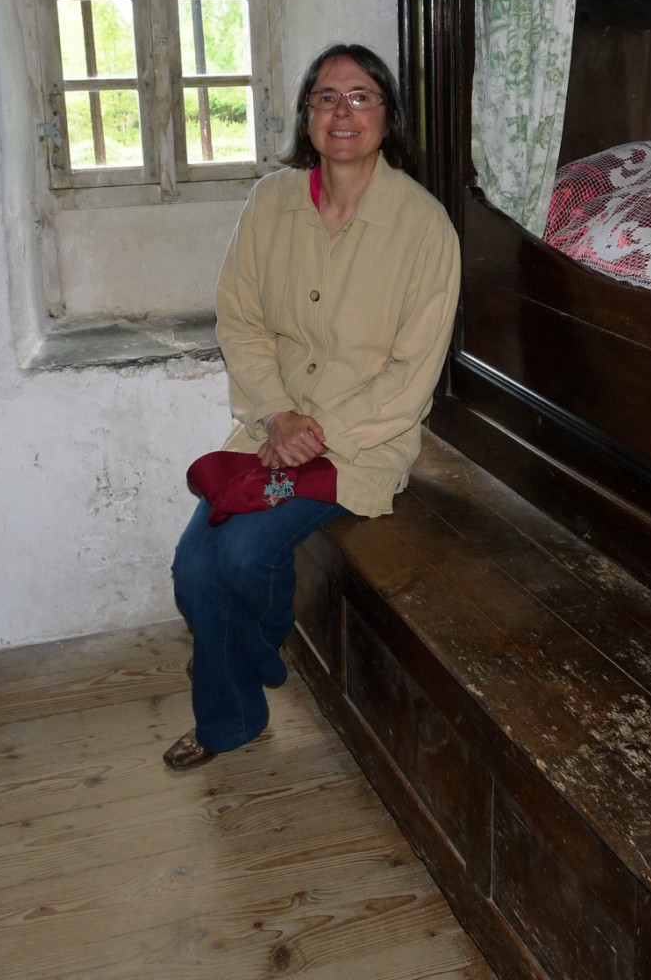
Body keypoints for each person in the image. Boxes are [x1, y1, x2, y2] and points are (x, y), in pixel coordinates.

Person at [165, 44, 461, 770]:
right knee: (193, 568)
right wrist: (276, 415)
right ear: (306, 117)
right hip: (271, 427)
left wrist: (317, 432)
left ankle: (235, 689)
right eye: (325, 98)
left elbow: (413, 373)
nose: (342, 112)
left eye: (360, 97)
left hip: (361, 442)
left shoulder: (425, 228)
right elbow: (241, 321)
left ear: (388, 117)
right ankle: (244, 675)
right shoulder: (271, 203)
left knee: (244, 552)